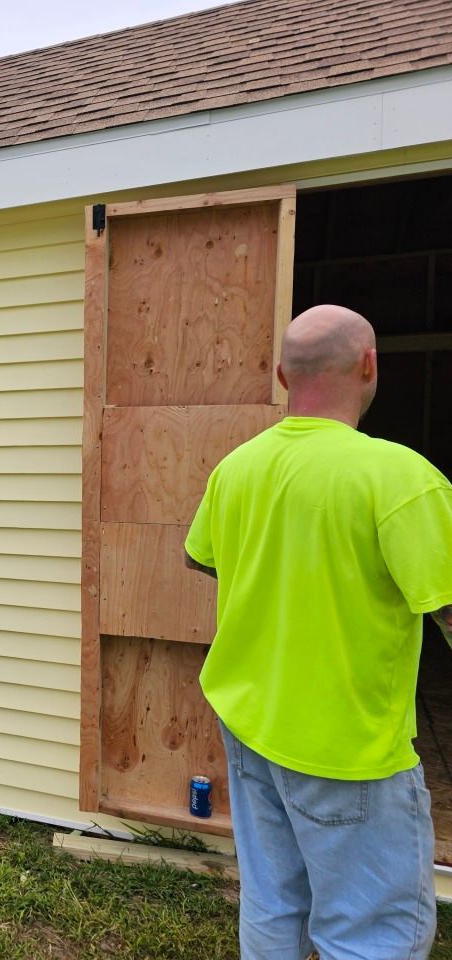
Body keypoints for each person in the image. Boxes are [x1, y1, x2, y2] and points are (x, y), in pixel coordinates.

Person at [183, 304, 452, 960]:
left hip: (250, 726)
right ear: (368, 365)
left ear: (282, 375)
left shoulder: (236, 470)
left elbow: (198, 555)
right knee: (368, 933)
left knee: (274, 900)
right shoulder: (399, 478)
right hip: (347, 747)